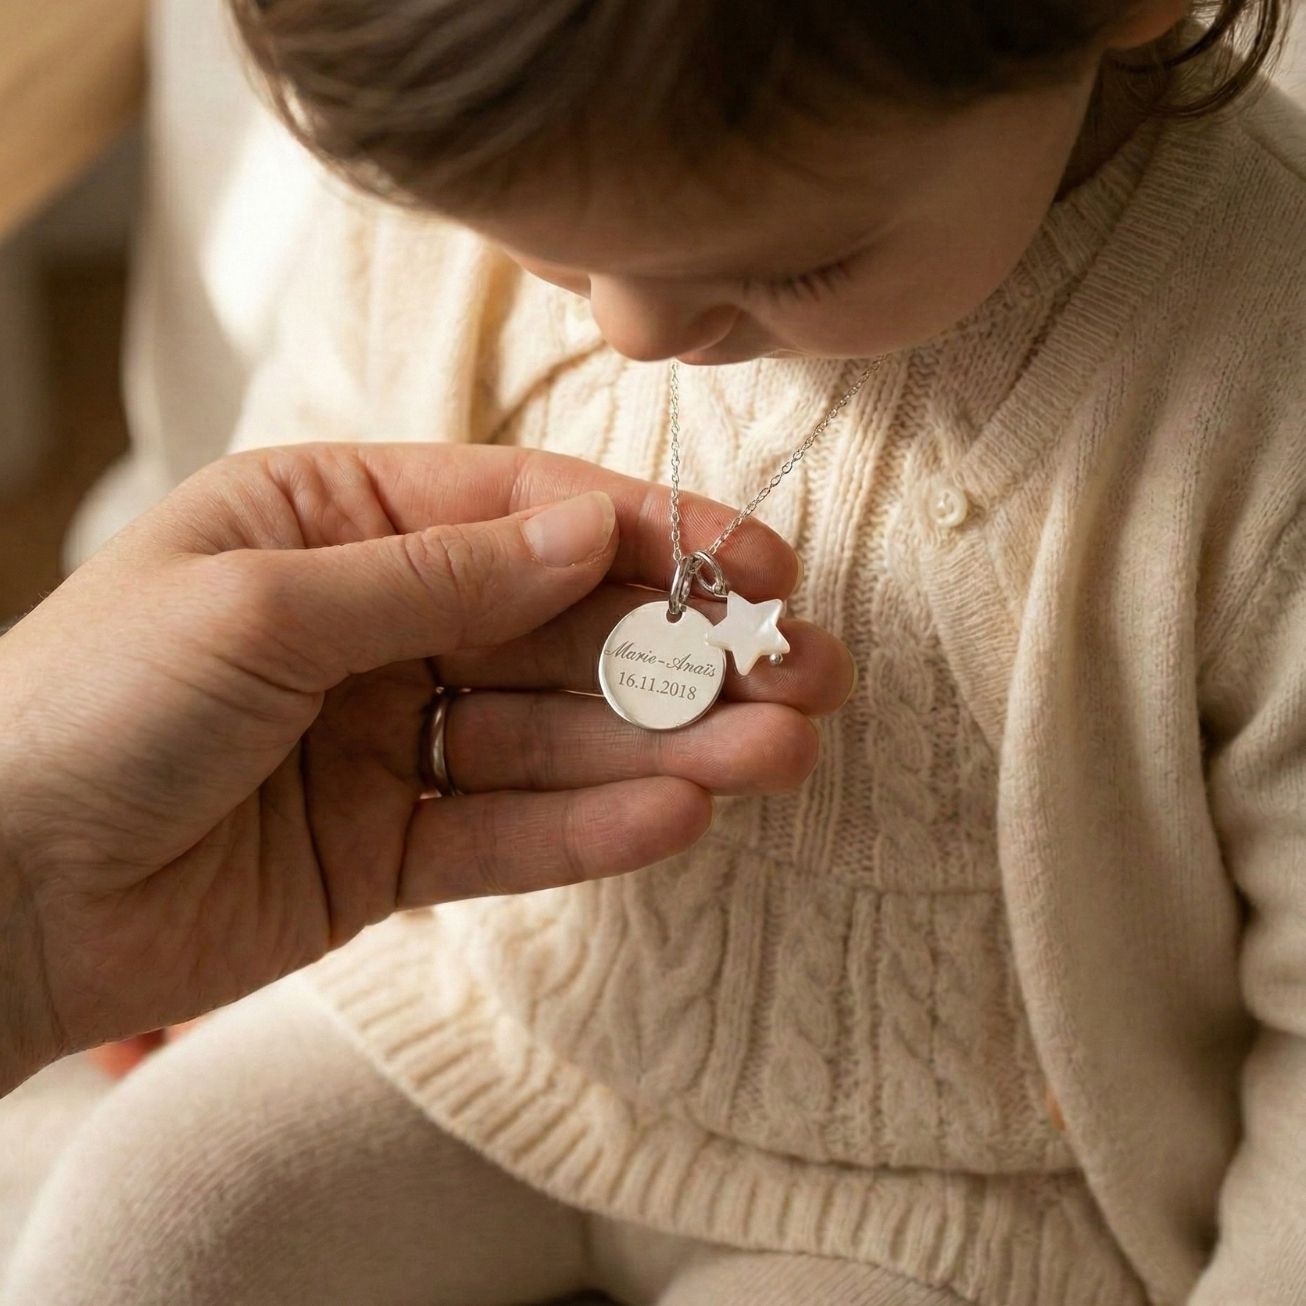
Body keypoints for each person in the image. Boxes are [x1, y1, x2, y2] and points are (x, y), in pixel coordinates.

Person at [6, 0, 1305, 1303]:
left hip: (957, 1208)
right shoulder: (455, 161)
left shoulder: (1263, 370)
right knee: (140, 1218)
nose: (629, 328)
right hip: (474, 1031)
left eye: (796, 267)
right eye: (546, 257)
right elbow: (294, 543)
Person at [0, 441, 844, 1097]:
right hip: (420, 996)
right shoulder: (401, 278)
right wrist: (34, 901)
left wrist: (40, 928)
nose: (635, 319)